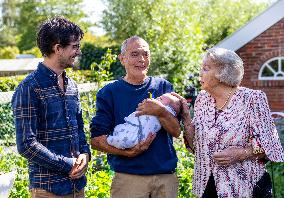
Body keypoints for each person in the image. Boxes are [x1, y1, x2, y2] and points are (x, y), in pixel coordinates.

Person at [173, 47, 284, 198]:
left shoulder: (252, 99)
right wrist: (186, 117)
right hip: (208, 185)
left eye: (206, 68)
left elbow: (271, 145)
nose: (200, 73)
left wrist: (241, 154)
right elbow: (196, 147)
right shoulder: (202, 100)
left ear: (222, 73)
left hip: (245, 187)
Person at [91, 36, 181, 197]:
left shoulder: (163, 87)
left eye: (146, 54)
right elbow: (96, 140)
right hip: (128, 179)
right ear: (122, 59)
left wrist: (160, 111)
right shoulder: (109, 93)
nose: (141, 59)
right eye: (134, 54)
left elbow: (176, 131)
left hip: (165, 178)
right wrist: (128, 153)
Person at [12, 17, 91, 198]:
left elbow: (79, 129)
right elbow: (26, 145)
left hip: (77, 187)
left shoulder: (72, 85)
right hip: (48, 189)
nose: (78, 52)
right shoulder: (29, 87)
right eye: (75, 46)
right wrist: (68, 164)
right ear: (57, 48)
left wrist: (85, 155)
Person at [107, 93, 181, 149]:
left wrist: (160, 110)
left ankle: (111, 140)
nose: (157, 98)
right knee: (122, 132)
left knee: (127, 139)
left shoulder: (168, 110)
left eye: (161, 99)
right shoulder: (110, 91)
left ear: (169, 108)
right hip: (135, 133)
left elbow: (177, 132)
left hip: (139, 137)